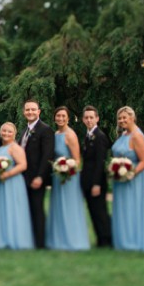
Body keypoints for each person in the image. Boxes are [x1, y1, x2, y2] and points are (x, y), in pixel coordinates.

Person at [46, 106, 90, 251]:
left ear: (68, 118)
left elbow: (77, 160)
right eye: (58, 116)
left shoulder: (70, 135)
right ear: (54, 118)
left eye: (63, 116)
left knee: (69, 207)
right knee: (58, 206)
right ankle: (58, 239)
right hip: (58, 176)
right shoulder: (56, 134)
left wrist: (67, 169)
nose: (60, 118)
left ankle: (72, 240)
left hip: (69, 177)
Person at [111, 106, 144, 253]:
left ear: (132, 118)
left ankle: (134, 241)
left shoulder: (136, 136)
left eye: (124, 118)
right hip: (120, 178)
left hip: (134, 180)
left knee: (132, 209)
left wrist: (130, 173)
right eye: (120, 118)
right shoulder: (123, 135)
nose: (121, 121)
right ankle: (123, 241)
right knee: (122, 209)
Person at [0, 122, 34, 250]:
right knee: (1, 209)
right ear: (0, 133)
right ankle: (2, 239)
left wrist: (7, 174)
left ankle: (15, 239)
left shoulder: (15, 148)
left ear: (14, 134)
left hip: (12, 183)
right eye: (4, 131)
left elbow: (23, 165)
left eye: (9, 131)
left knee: (13, 209)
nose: (6, 133)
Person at [20, 99, 55, 249]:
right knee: (28, 209)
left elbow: (47, 156)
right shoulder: (24, 131)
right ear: (24, 112)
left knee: (37, 209)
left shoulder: (45, 130)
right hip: (23, 178)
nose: (30, 112)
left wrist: (40, 176)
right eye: (27, 110)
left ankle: (40, 243)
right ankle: (31, 239)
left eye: (33, 109)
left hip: (36, 178)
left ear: (39, 111)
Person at [80, 105, 113, 248]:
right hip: (87, 180)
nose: (89, 120)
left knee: (100, 212)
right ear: (83, 119)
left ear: (97, 118)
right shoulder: (87, 136)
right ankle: (100, 239)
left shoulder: (99, 136)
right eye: (86, 118)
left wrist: (96, 184)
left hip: (96, 182)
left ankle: (107, 239)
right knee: (93, 211)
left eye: (91, 117)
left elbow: (100, 162)